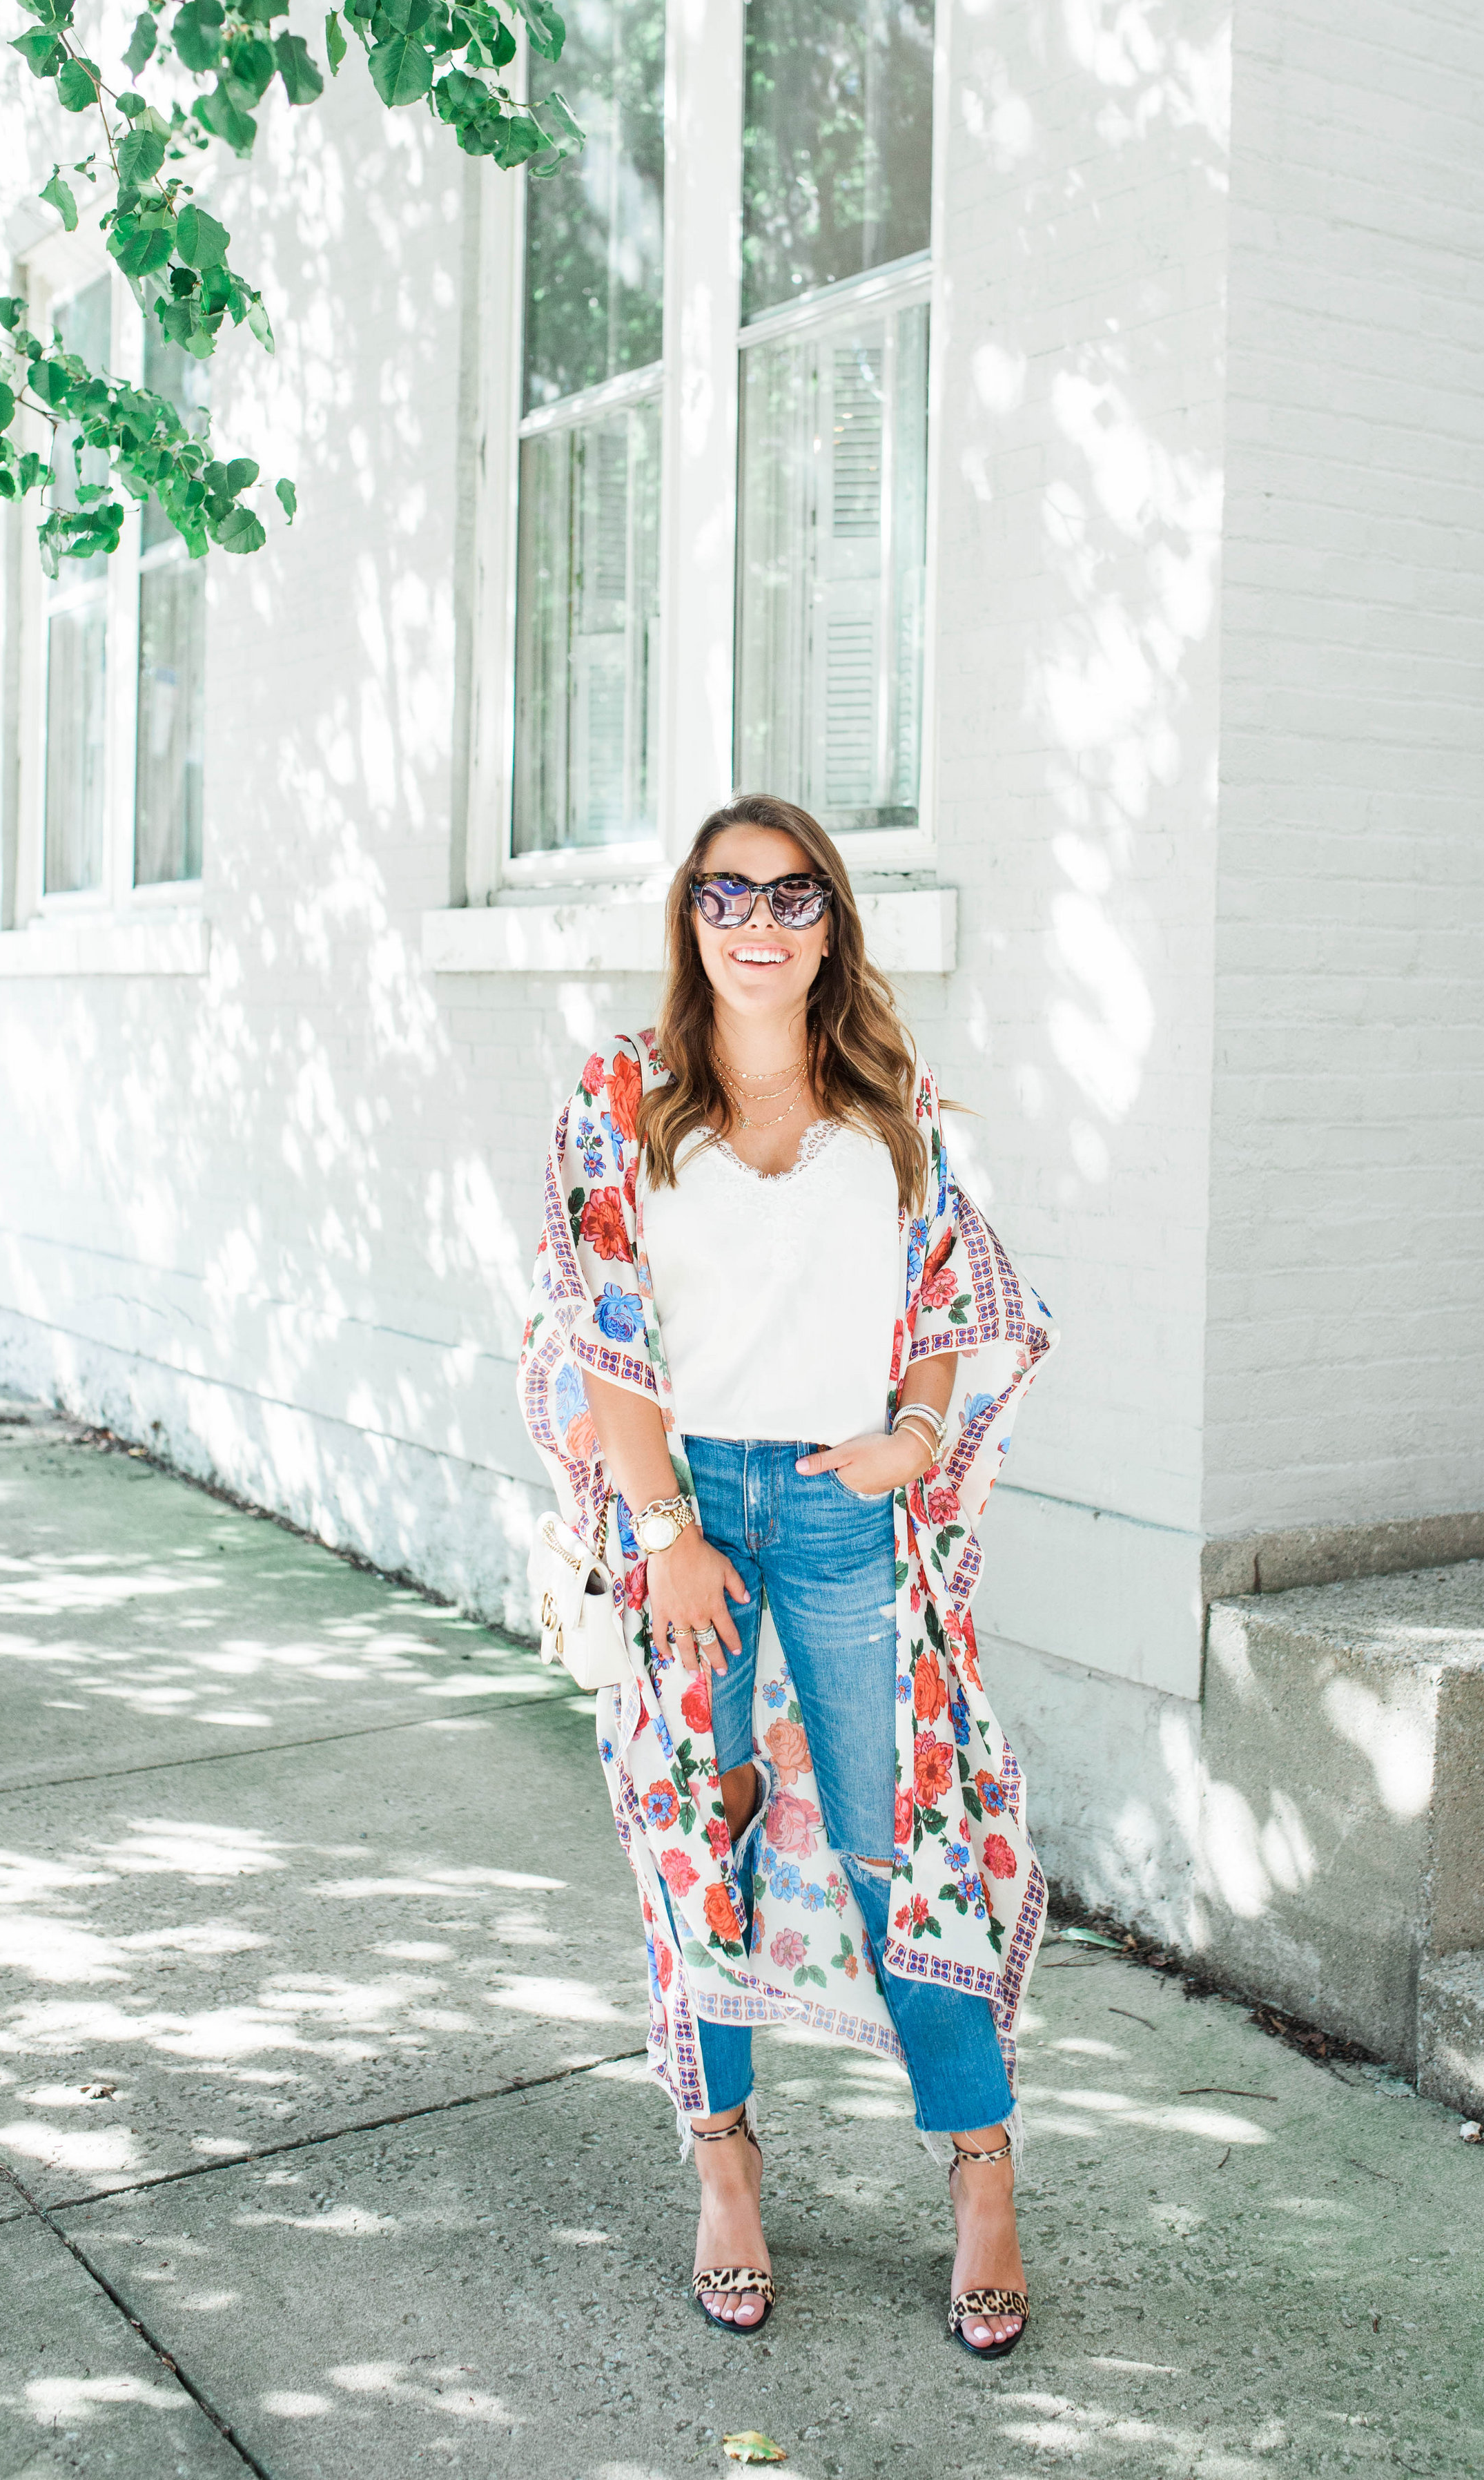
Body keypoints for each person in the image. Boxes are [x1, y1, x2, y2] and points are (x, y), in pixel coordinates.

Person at [518, 793, 1056, 2354]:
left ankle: (977, 2172)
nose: (757, 920)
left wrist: (911, 1428)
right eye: (725, 892)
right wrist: (662, 1526)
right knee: (703, 1830)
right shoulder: (619, 1094)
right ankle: (726, 2167)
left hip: (839, 1510)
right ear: (688, 916)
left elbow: (957, 1291)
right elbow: (595, 1309)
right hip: (682, 1509)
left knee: (902, 1842)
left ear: (833, 921)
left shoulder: (895, 1098)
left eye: (792, 892)